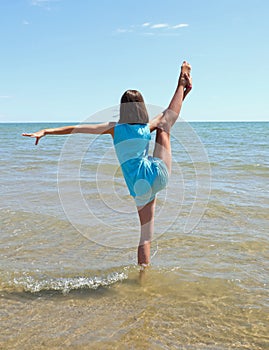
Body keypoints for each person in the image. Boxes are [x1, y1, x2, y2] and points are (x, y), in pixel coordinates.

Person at [23, 61, 192, 268]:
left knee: (145, 235)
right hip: (157, 173)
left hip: (139, 187)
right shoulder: (146, 127)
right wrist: (182, 92)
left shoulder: (114, 128)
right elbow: (169, 114)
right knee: (165, 126)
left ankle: (143, 277)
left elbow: (78, 128)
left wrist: (46, 131)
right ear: (141, 108)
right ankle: (181, 84)